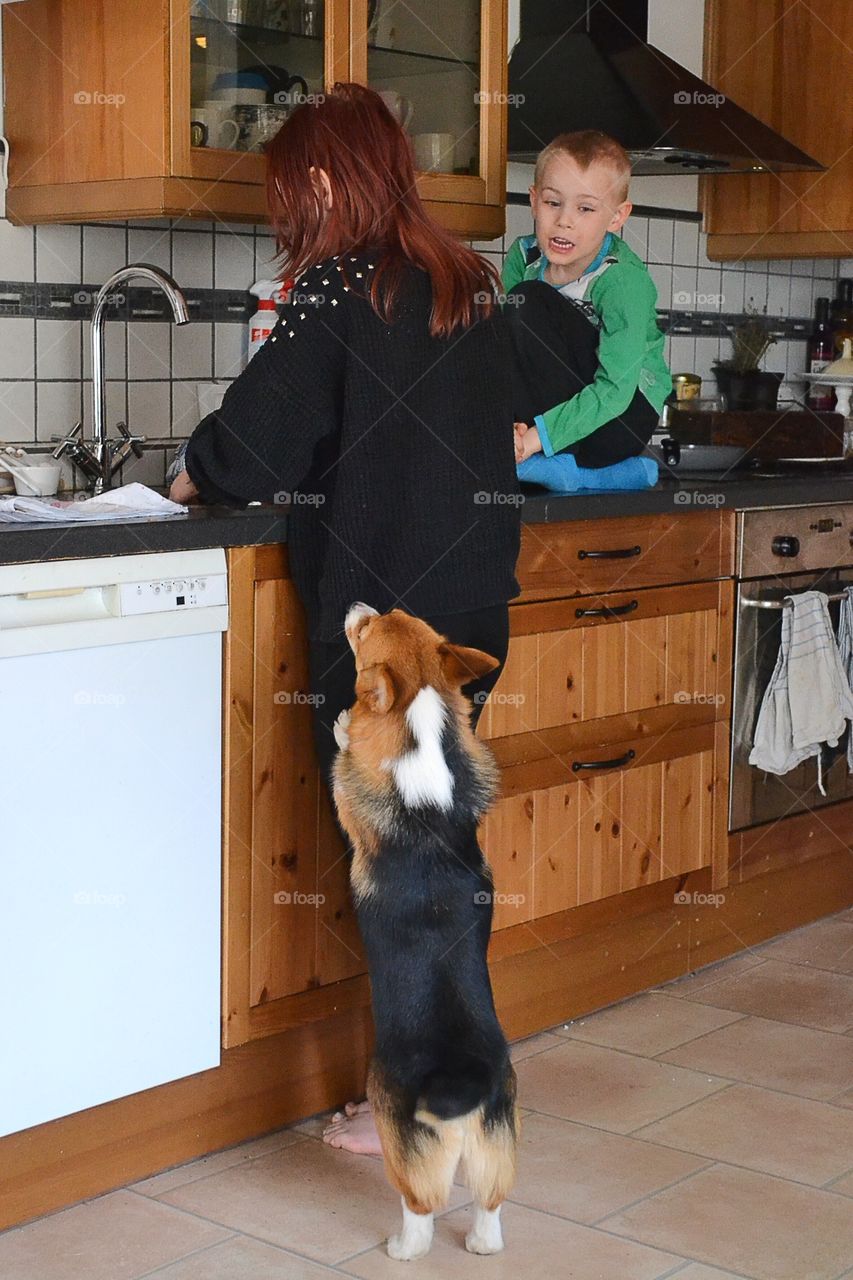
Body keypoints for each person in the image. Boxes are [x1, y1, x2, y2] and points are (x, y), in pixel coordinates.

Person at [168, 82, 521, 1156]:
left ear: (323, 180)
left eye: (291, 193)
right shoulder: (465, 279)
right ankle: (452, 1075)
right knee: (439, 855)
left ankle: (428, 1099)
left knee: (404, 872)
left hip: (381, 633)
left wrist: (193, 469)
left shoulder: (339, 284)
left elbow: (258, 441)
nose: (291, 219)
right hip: (461, 622)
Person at [503, 130, 671, 471]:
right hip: (555, 410)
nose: (565, 221)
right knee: (505, 318)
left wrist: (535, 438)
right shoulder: (524, 257)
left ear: (617, 217)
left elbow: (616, 389)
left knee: (527, 299)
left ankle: (544, 448)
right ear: (534, 201)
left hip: (622, 419)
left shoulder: (622, 281)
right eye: (553, 203)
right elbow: (506, 352)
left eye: (585, 208)